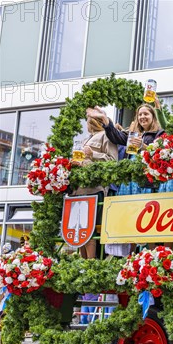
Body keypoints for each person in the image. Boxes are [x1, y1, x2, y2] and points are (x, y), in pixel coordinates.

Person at [71, 111, 119, 259]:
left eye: (95, 119)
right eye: (88, 119)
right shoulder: (84, 140)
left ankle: (90, 263)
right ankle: (82, 263)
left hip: (94, 189)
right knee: (77, 229)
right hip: (78, 190)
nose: (90, 122)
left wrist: (94, 155)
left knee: (89, 229)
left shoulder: (106, 136)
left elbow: (113, 162)